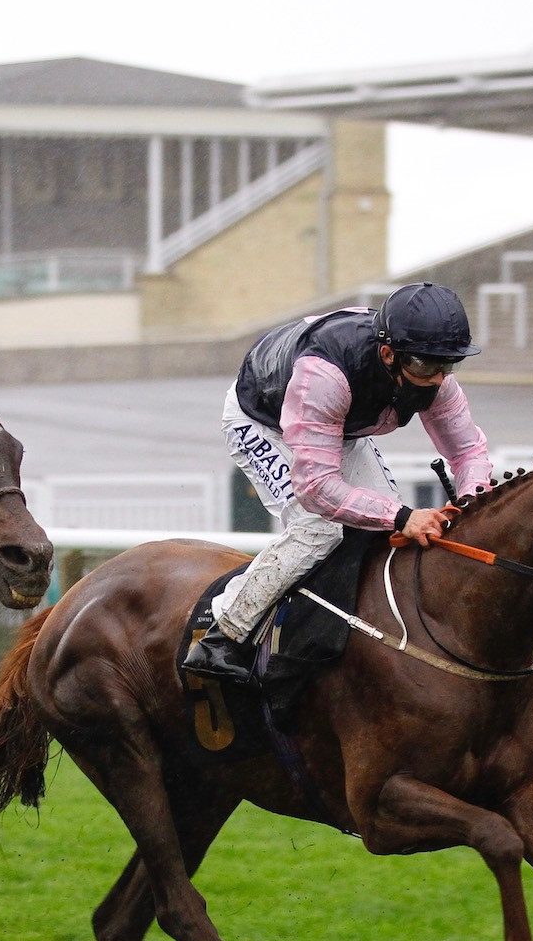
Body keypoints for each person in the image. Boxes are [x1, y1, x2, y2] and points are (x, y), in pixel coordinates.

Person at [183, 281, 495, 684]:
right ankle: (223, 633)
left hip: (337, 426)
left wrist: (471, 503)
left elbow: (469, 452)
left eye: (448, 365)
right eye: (426, 366)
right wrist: (402, 516)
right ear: (389, 354)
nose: (438, 379)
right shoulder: (325, 375)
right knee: (320, 530)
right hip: (262, 421)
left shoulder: (429, 374)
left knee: (381, 531)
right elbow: (316, 489)